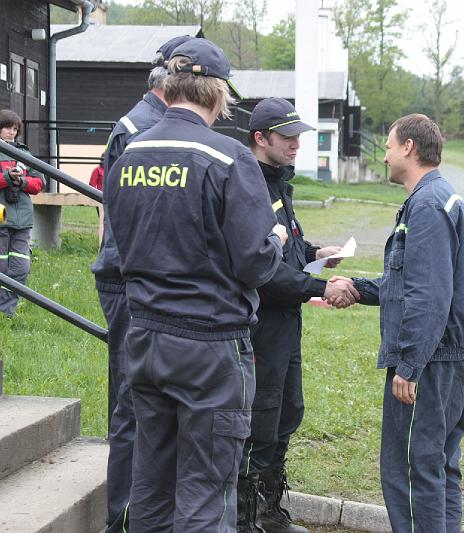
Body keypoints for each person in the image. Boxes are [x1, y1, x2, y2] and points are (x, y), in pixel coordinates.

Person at [104, 38, 287, 531]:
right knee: (205, 494)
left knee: (152, 488)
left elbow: (118, 242)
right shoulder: (228, 157)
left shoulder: (130, 151)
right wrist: (275, 236)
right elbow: (254, 262)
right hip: (208, 347)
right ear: (218, 92)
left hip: (144, 339)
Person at [340, 113, 464, 533]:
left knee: (409, 469)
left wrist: (409, 364)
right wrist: (358, 288)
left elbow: (430, 294)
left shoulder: (426, 205)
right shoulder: (442, 197)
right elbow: (411, 281)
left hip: (431, 362)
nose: (384, 155)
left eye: (388, 145)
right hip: (450, 357)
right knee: (438, 467)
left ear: (408, 148)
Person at [236, 97, 359, 533]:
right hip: (260, 325)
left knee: (288, 412)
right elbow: (263, 272)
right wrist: (320, 286)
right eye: (287, 137)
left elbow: (286, 250)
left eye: (298, 136)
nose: (296, 144)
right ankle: (244, 519)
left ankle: (269, 511)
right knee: (259, 421)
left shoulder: (278, 184)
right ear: (260, 138)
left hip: (286, 325)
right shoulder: (249, 185)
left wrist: (316, 253)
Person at [91, 34, 193, 533]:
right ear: (172, 80)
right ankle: (123, 520)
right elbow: (132, 220)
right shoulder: (138, 129)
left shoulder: (155, 124)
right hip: (131, 281)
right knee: (133, 407)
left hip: (147, 280)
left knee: (153, 405)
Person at [0, 109, 47, 317]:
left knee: (20, 268)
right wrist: (7, 178)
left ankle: (7, 312)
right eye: (8, 127)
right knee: (1, 265)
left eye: (15, 129)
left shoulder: (24, 153)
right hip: (1, 215)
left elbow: (40, 183)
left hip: (23, 218)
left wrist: (22, 181)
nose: (12, 132)